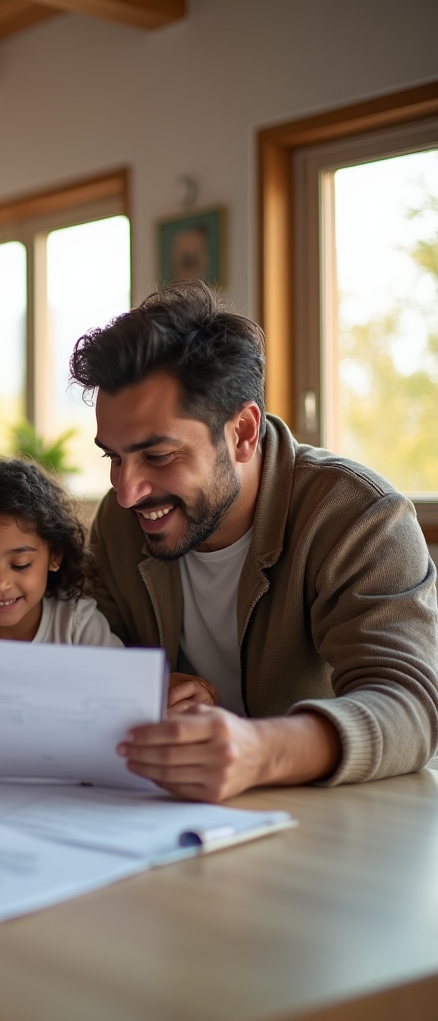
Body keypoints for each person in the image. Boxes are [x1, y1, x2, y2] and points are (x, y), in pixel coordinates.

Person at [69, 280, 438, 803]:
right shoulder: (120, 521)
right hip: (168, 826)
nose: (126, 491)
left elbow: (412, 705)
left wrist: (259, 748)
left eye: (158, 456)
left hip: (334, 830)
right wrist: (142, 689)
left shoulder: (357, 516)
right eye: (113, 457)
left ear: (242, 431)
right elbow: (90, 653)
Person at [0, 459, 214, 745]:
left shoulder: (77, 622)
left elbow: (121, 699)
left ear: (54, 556)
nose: (0, 583)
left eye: (20, 565)